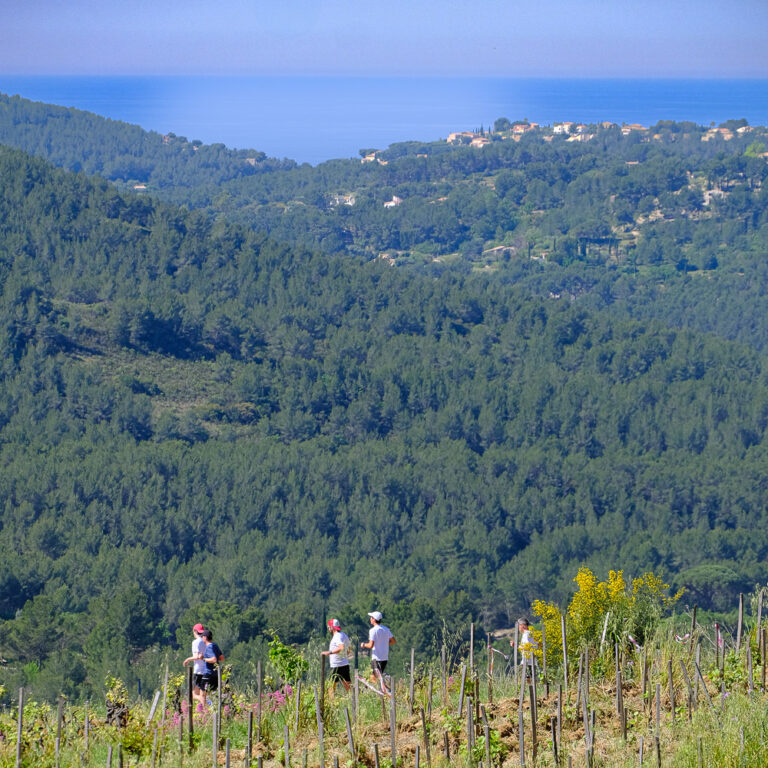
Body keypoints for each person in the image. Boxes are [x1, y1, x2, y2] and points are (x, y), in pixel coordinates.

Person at [360, 610, 395, 687]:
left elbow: (370, 645)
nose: (370, 619)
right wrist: (384, 643)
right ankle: (383, 689)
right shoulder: (386, 629)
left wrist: (363, 644)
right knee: (376, 676)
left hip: (376, 658)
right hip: (384, 657)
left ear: (374, 619)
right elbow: (393, 641)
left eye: (371, 617)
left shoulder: (373, 631)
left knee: (373, 677)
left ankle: (383, 690)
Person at [322, 618, 351, 693]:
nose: (328, 628)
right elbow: (349, 649)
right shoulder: (344, 635)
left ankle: (331, 704)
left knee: (331, 687)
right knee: (348, 687)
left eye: (329, 627)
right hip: (345, 664)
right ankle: (355, 701)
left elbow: (341, 647)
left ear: (332, 627)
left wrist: (329, 652)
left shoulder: (337, 636)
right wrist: (344, 655)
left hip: (336, 665)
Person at [182, 622, 207, 706]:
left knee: (193, 694)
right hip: (205, 669)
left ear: (195, 631)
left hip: (198, 670)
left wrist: (188, 659)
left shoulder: (196, 642)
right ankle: (203, 712)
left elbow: (197, 656)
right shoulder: (204, 641)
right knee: (202, 693)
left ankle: (203, 704)